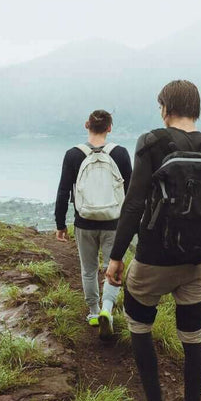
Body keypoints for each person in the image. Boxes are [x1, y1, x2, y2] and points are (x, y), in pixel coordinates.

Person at [106, 80, 201, 401]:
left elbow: (134, 204)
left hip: (154, 259)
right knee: (194, 338)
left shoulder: (152, 142)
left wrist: (117, 256)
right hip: (199, 261)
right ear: (197, 109)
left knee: (139, 323)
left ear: (165, 108)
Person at [55, 110, 132, 337]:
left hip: (84, 222)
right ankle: (107, 309)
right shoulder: (120, 153)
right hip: (114, 223)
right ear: (110, 127)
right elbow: (132, 192)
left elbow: (62, 192)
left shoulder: (73, 155)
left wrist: (60, 224)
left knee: (88, 269)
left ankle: (93, 312)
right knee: (112, 267)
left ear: (86, 125)